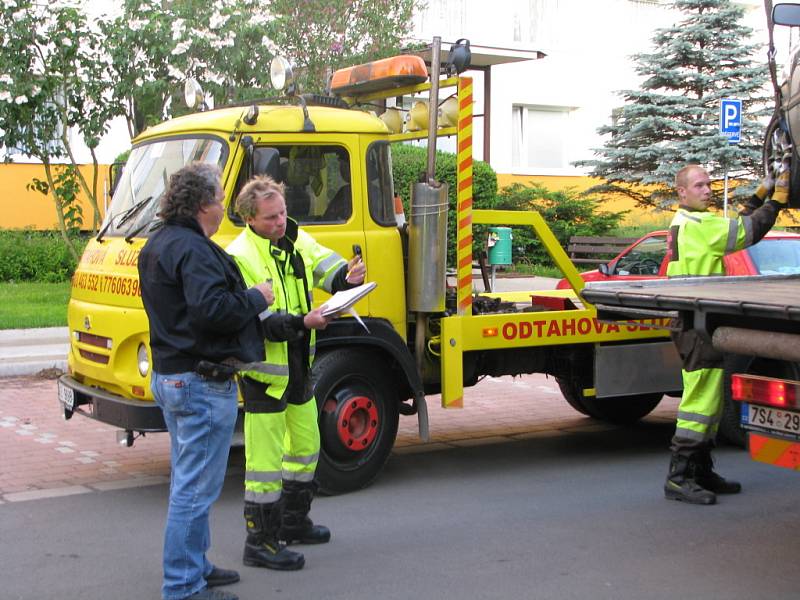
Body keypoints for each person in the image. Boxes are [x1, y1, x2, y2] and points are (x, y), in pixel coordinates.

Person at [138, 162, 275, 600]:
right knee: (195, 491)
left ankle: (195, 565)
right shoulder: (195, 250)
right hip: (201, 382)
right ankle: (183, 586)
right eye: (219, 201)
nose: (222, 210)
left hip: (173, 375)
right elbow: (212, 311)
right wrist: (256, 297)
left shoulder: (158, 242)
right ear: (202, 205)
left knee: (188, 481)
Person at [226, 175, 365, 570]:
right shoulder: (241, 256)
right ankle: (261, 542)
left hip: (298, 366)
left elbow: (325, 264)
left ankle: (293, 522)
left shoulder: (293, 238)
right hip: (265, 376)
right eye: (271, 218)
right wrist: (305, 322)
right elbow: (263, 323)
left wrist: (346, 277)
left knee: (306, 448)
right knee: (264, 468)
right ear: (251, 219)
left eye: (283, 212)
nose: (281, 222)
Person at [664, 163, 790, 505]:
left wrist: (761, 193)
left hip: (696, 319)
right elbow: (747, 231)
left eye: (708, 185)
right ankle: (679, 477)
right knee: (699, 403)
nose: (707, 190)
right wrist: (776, 201)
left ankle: (701, 471)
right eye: (700, 185)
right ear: (682, 192)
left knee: (710, 401)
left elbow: (732, 225)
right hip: (698, 321)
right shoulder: (699, 225)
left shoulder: (689, 221)